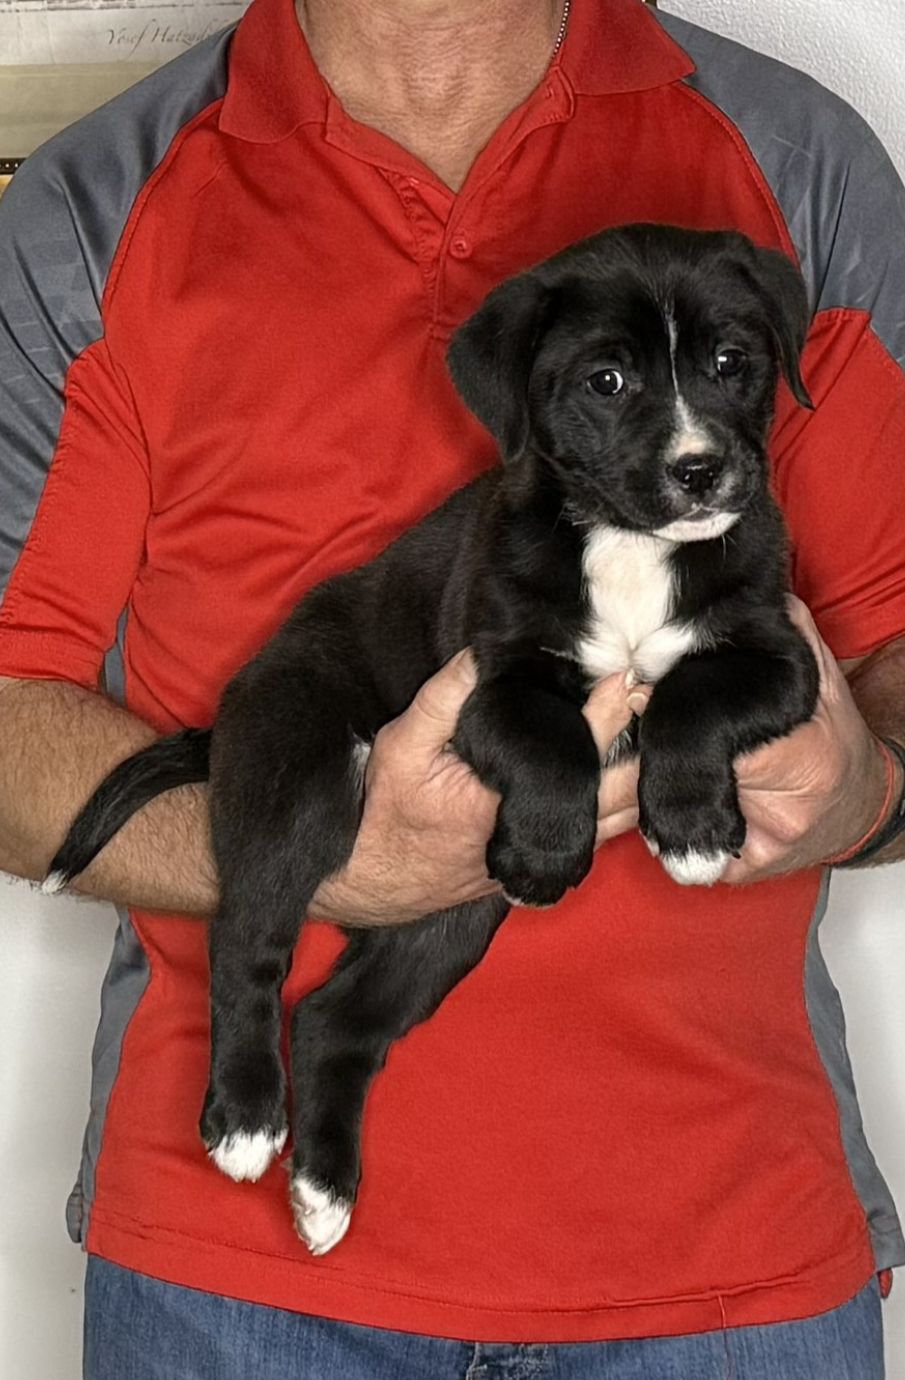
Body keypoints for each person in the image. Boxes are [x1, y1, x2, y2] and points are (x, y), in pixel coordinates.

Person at [1, 0, 904, 1374]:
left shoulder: (795, 164)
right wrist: (330, 864)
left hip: (730, 1267)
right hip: (231, 1286)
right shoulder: (93, 203)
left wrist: (868, 789)